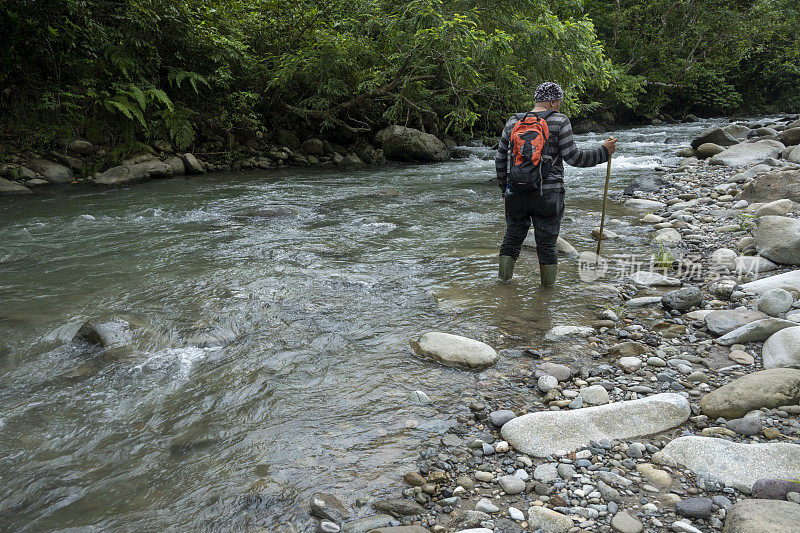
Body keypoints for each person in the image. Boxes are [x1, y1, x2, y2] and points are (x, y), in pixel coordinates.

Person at [494, 82, 617, 286]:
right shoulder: (560, 121)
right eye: (559, 101)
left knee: (512, 239)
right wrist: (603, 151)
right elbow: (575, 158)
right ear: (552, 101)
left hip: (516, 192)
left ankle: (502, 286)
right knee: (548, 244)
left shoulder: (512, 122)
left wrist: (505, 189)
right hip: (548, 194)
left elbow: (500, 160)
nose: (560, 105)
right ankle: (547, 295)